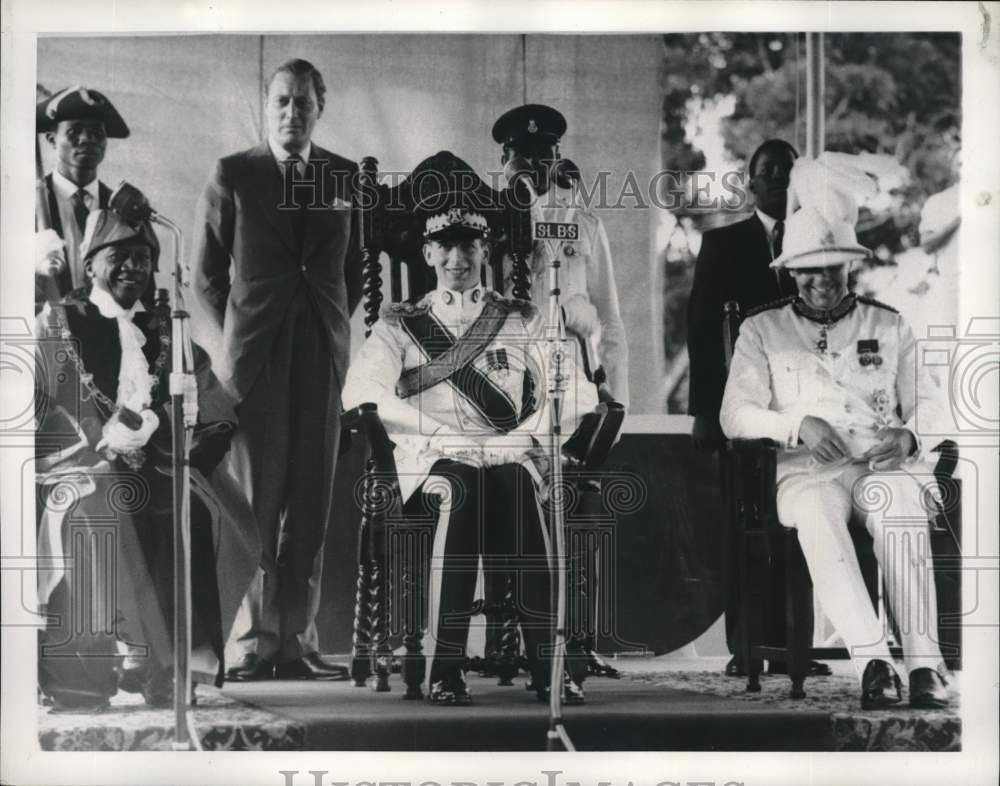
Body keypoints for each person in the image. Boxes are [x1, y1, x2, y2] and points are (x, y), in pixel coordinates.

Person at [342, 151, 597, 705]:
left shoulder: (519, 318)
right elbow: (361, 393)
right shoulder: (399, 326)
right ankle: (445, 667)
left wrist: (528, 437)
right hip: (430, 460)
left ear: (487, 251)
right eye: (446, 246)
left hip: (507, 452)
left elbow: (575, 388)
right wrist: (438, 439)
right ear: (427, 251)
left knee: (515, 488)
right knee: (459, 486)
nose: (457, 258)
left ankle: (547, 666)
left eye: (470, 245)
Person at [720, 153, 951, 710]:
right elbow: (736, 414)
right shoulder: (762, 330)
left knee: (901, 515)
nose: (821, 281)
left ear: (851, 266)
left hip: (882, 464)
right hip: (808, 473)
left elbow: (932, 402)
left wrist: (912, 436)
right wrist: (796, 422)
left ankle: (924, 667)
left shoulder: (887, 323)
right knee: (820, 522)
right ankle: (874, 661)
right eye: (808, 269)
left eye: (832, 268)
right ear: (790, 271)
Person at [35, 208, 257, 710]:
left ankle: (169, 669)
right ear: (91, 265)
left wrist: (177, 440)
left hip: (154, 466)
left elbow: (213, 406)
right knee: (94, 514)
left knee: (194, 512)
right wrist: (94, 442)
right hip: (79, 468)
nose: (133, 267)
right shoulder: (58, 322)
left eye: (143, 258)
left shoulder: (168, 328)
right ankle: (81, 678)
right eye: (119, 257)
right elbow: (28, 404)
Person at [192, 58, 362, 681]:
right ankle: (254, 643)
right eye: (282, 102)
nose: (293, 113)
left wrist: (329, 326)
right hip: (256, 360)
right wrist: (240, 335)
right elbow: (205, 278)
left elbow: (354, 269)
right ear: (267, 107)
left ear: (322, 107)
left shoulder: (343, 176)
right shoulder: (235, 172)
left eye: (304, 103)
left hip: (321, 352)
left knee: (311, 503)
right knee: (257, 503)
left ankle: (298, 642)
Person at [686, 138, 829, 678]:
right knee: (741, 525)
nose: (777, 179)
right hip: (740, 408)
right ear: (750, 182)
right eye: (766, 171)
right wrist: (704, 411)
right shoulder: (722, 244)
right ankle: (746, 645)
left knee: (805, 520)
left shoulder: (818, 240)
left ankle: (797, 646)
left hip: (804, 411)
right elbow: (700, 329)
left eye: (786, 171)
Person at [492, 104, 629, 409]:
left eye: (545, 154)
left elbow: (609, 318)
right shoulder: (488, 223)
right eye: (524, 155)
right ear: (505, 162)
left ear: (557, 160)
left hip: (571, 377)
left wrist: (618, 404)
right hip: (506, 375)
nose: (536, 165)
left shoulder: (583, 225)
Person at [35, 87, 137, 310]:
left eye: (97, 132)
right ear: (52, 139)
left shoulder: (125, 208)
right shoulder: (26, 207)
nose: (87, 139)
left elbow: (142, 287)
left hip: (109, 333)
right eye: (75, 131)